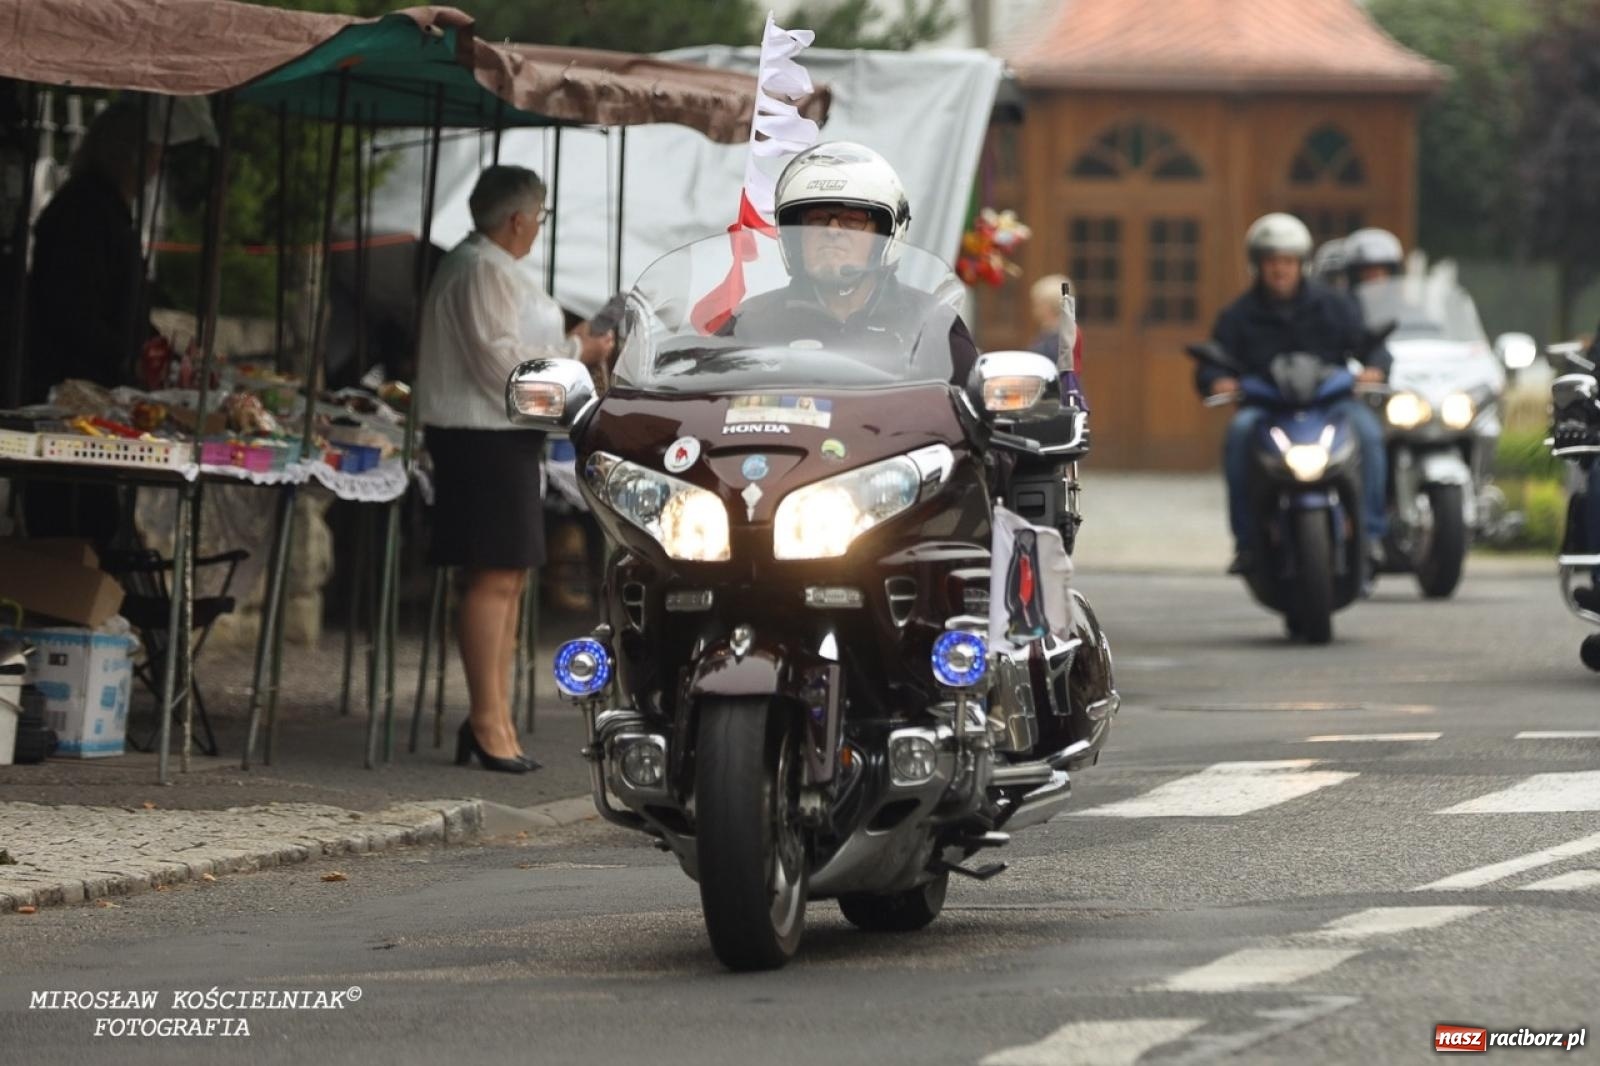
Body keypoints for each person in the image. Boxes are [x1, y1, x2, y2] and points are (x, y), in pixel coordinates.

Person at [417, 165, 613, 774]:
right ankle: (485, 719)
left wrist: (574, 351)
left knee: (511, 576)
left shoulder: (495, 268)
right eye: (539, 217)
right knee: (493, 574)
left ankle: (493, 715)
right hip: (479, 434)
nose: (537, 229)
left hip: (503, 436)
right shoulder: (478, 268)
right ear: (518, 219)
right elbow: (500, 362)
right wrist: (576, 355)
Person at [1198, 212, 1391, 575]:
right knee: (1239, 433)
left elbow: (1370, 346)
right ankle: (1247, 542)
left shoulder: (1335, 305)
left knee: (1369, 433)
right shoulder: (1237, 315)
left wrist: (1375, 366)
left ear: (1301, 264)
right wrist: (1216, 379)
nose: (1279, 270)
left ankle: (1371, 534)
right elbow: (1215, 360)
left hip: (1332, 406)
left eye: (1287, 261)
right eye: (1271, 262)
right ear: (1258, 265)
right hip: (1267, 411)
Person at [22, 100, 166, 548]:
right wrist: (128, 356)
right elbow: (75, 313)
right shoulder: (85, 211)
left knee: (95, 526)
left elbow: (123, 308)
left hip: (95, 396)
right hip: (69, 398)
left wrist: (153, 347)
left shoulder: (102, 208)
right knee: (74, 532)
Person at [723, 141, 981, 382]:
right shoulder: (753, 324)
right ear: (794, 238)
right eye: (817, 219)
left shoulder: (929, 325)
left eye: (853, 220)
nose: (833, 230)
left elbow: (974, 415)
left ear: (884, 237)